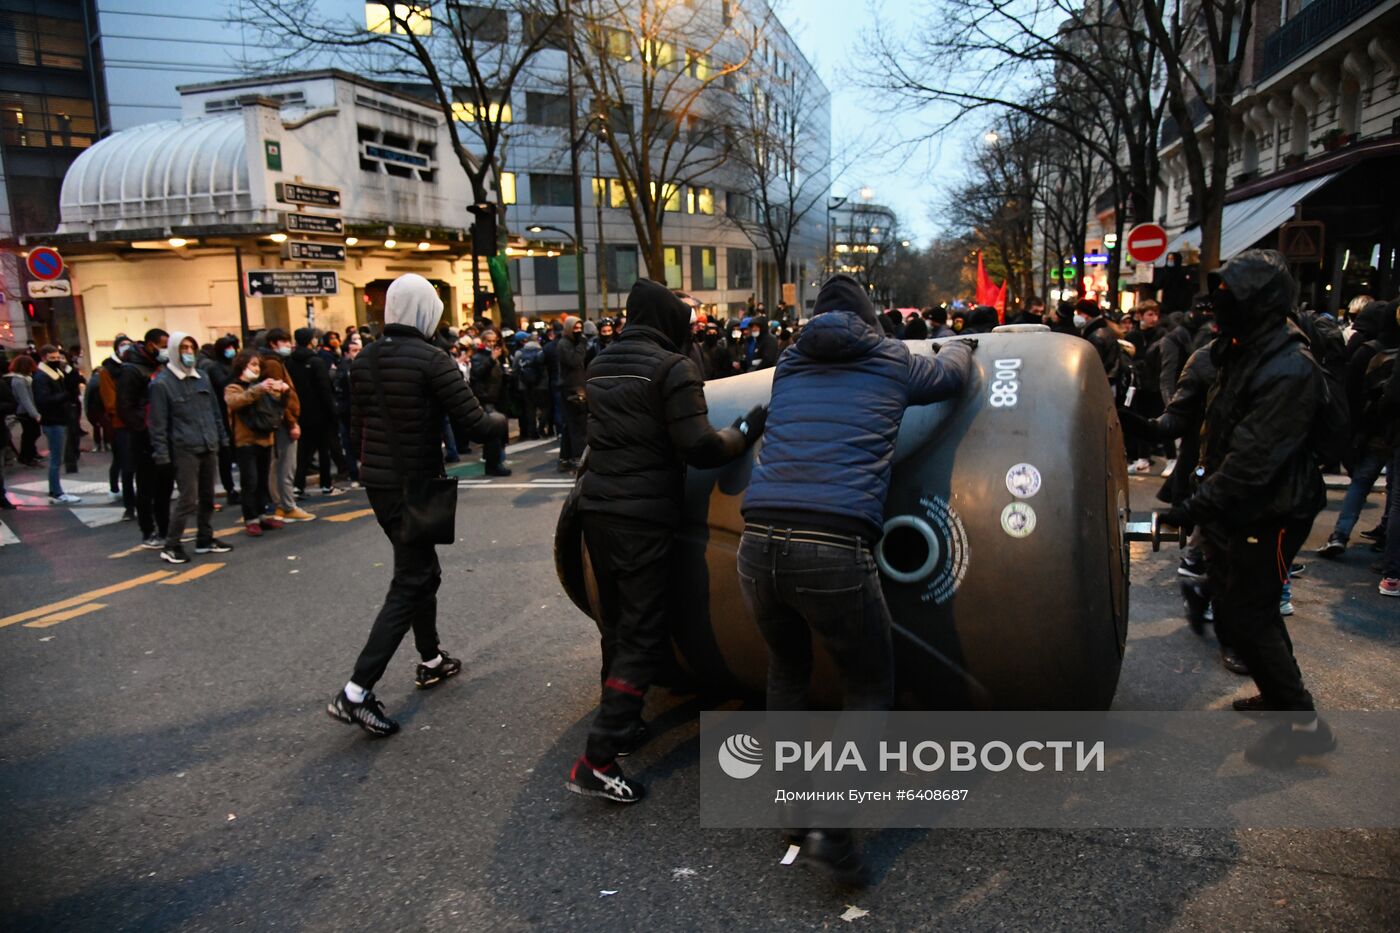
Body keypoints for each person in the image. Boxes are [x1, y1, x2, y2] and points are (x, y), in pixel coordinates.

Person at [736, 274, 974, 882]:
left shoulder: (789, 362)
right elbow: (952, 377)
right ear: (871, 320)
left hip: (758, 542)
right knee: (868, 687)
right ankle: (834, 829)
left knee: (787, 670)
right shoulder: (890, 358)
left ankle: (793, 811)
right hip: (833, 546)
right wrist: (960, 343)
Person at [567, 280, 766, 804]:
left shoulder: (602, 362)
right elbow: (700, 446)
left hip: (597, 509)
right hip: (643, 516)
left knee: (615, 623)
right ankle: (599, 758)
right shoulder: (673, 368)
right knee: (643, 633)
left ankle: (623, 721)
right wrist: (744, 430)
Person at [1158, 250, 1333, 760]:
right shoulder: (1243, 348)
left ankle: (1304, 727)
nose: (1218, 301)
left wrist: (1189, 509)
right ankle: (1283, 699)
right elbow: (1213, 429)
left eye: (1231, 292)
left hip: (1272, 512)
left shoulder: (1287, 367)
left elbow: (1252, 462)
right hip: (1242, 508)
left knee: (1246, 617)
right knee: (1247, 614)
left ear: (1260, 302)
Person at [327, 274, 506, 736]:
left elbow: (354, 425)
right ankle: (356, 692)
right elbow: (475, 425)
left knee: (423, 571)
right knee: (411, 580)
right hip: (417, 484)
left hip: (380, 484)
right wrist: (501, 419)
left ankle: (430, 658)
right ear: (427, 312)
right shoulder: (433, 359)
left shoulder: (363, 359)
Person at [1317, 300, 1398, 558]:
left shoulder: (1366, 350)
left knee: (1361, 483)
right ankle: (1386, 542)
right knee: (1392, 493)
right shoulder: (1377, 351)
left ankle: (1341, 534)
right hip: (1388, 430)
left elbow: (1350, 392)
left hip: (1372, 429)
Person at [148, 332, 233, 564]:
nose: (188, 352)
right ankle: (172, 544)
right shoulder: (162, 384)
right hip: (184, 448)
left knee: (208, 496)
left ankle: (205, 538)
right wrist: (162, 454)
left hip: (208, 443)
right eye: (183, 348)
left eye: (191, 348)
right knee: (188, 499)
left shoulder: (201, 377)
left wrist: (222, 439)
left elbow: (215, 412)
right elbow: (158, 424)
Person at [225, 350, 288, 537]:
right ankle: (250, 518)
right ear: (242, 366)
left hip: (265, 438)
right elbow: (235, 402)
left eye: (258, 365)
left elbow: (274, 408)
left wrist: (280, 390)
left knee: (262, 480)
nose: (256, 369)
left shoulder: (260, 387)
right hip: (245, 441)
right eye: (253, 365)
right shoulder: (234, 387)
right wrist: (259, 389)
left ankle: (262, 514)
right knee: (250, 480)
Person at [257, 329, 315, 523]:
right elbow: (279, 398)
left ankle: (281, 504)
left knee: (279, 464)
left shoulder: (270, 361)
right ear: (274, 343)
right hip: (283, 421)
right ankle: (287, 505)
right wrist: (291, 422)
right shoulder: (273, 364)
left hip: (278, 420)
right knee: (286, 465)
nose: (289, 345)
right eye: (284, 341)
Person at [287, 327, 343, 498]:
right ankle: (326, 484)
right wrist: (333, 412)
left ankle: (298, 485)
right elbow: (324, 389)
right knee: (323, 449)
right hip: (320, 412)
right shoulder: (316, 362)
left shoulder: (288, 361)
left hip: (300, 411)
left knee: (304, 451)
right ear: (310, 340)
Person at [33, 345, 82, 504]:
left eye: (57, 357)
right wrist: (65, 395)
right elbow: (43, 400)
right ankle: (57, 492)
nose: (56, 361)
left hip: (59, 419)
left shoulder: (55, 373)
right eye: (52, 358)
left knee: (57, 458)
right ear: (43, 358)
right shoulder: (42, 377)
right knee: (56, 459)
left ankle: (56, 490)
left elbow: (71, 379)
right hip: (54, 421)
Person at [469, 328, 511, 476]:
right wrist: (492, 360)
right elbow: (478, 373)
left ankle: (495, 460)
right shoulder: (479, 357)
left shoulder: (497, 355)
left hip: (497, 397)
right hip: (486, 398)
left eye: (494, 341)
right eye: (489, 341)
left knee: (498, 431)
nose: (492, 344)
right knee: (493, 430)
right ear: (483, 341)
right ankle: (494, 463)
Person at [557, 315, 589, 472]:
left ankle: (566, 458)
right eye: (575, 328)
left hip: (576, 387)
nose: (579, 331)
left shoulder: (572, 343)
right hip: (572, 389)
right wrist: (582, 344)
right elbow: (574, 361)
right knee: (576, 427)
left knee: (571, 427)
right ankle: (577, 458)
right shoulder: (565, 344)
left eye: (580, 328)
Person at [334, 333, 362, 487]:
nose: (357, 353)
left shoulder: (356, 366)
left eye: (359, 350)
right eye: (354, 350)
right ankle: (354, 473)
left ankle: (357, 473)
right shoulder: (345, 369)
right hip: (348, 412)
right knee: (351, 443)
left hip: (353, 410)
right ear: (346, 353)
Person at [6, 354, 43, 465]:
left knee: (32, 433)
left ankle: (31, 453)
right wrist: (35, 414)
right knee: (30, 434)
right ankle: (26, 456)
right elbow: (25, 399)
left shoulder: (25, 378)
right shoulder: (19, 381)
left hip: (28, 410)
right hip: (25, 412)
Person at [513, 329, 548, 440]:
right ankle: (541, 427)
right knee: (544, 407)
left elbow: (515, 369)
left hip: (524, 385)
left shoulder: (520, 353)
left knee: (529, 409)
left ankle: (532, 432)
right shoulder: (541, 351)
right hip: (540, 385)